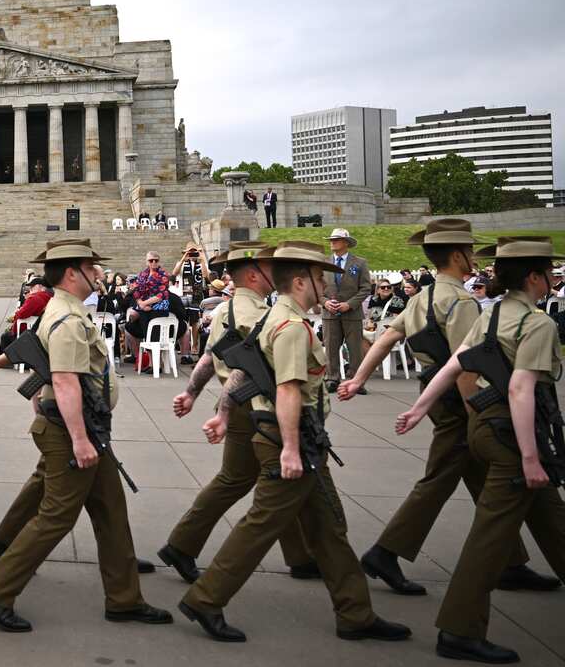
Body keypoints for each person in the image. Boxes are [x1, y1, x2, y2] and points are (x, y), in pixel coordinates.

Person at [179, 240, 410, 645]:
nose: (327, 288)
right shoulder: (289, 327)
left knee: (328, 527)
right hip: (290, 436)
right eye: (322, 279)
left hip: (296, 437)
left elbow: (244, 370)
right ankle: (206, 597)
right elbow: (286, 390)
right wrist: (288, 447)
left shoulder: (275, 318)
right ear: (302, 281)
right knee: (262, 525)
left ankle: (355, 612)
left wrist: (222, 410)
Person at [340, 220, 557, 602]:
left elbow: (389, 337)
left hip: (435, 392)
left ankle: (511, 562)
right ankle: (385, 552)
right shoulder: (459, 302)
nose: (473, 258)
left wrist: (359, 378)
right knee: (446, 477)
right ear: (458, 256)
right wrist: (479, 416)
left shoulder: (423, 297)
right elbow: (468, 367)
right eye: (470, 252)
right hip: (462, 401)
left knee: (484, 478)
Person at [0, 238, 169, 632]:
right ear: (73, 273)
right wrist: (79, 439)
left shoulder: (61, 309)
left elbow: (30, 344)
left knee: (111, 510)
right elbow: (63, 380)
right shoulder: (67, 319)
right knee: (56, 517)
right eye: (92, 268)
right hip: (70, 430)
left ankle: (124, 598)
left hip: (83, 427)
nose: (99, 274)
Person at [397, 236, 565, 663]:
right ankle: (459, 629)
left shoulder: (491, 316)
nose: (552, 281)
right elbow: (523, 389)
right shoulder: (537, 323)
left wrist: (418, 408)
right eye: (549, 273)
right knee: (490, 538)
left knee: (550, 516)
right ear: (534, 277)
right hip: (513, 434)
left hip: (487, 427)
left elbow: (456, 364)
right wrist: (530, 458)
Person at [159, 242, 317, 583]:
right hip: (253, 405)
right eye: (267, 266)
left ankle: (301, 554)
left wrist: (192, 392)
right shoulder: (258, 315)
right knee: (274, 480)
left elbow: (209, 357)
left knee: (267, 481)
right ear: (252, 273)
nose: (275, 272)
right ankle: (184, 548)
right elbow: (244, 369)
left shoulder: (227, 311)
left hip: (238, 403)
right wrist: (226, 413)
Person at [321, 228, 371, 394]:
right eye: (331, 239)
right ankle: (331, 378)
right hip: (330, 313)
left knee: (355, 348)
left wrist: (349, 304)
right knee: (330, 348)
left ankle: (356, 381)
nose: (332, 242)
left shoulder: (360, 263)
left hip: (352, 313)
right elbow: (316, 289)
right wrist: (325, 302)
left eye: (336, 239)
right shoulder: (323, 263)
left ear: (346, 243)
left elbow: (365, 288)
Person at [124, 251, 170, 365]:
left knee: (154, 334)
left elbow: (161, 294)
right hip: (143, 307)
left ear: (159, 261)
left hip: (159, 307)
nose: (153, 262)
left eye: (156, 260)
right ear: (147, 261)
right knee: (140, 330)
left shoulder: (163, 274)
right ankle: (149, 362)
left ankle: (156, 363)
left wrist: (145, 304)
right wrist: (141, 304)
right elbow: (136, 290)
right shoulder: (142, 274)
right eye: (151, 260)